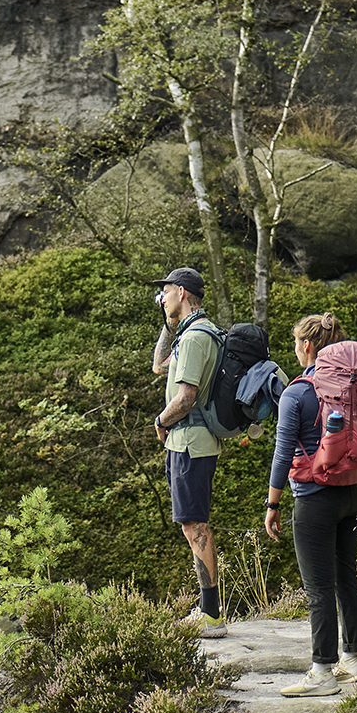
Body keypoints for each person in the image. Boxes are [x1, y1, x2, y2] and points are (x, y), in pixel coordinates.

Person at [262, 313, 357, 697]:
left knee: (318, 587)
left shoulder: (296, 392)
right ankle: (354, 660)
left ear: (307, 346)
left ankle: (322, 671)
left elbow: (282, 454)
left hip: (313, 498)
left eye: (296, 343)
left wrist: (272, 502)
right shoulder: (352, 386)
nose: (295, 350)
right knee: (346, 576)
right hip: (352, 492)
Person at [146, 267, 225, 630]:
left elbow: (186, 397)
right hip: (187, 444)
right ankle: (208, 610)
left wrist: (161, 421)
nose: (161, 298)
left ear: (180, 291)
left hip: (191, 444)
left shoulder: (196, 338)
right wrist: (167, 322)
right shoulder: (187, 334)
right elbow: (159, 366)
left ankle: (211, 614)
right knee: (190, 524)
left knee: (195, 525)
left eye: (165, 292)